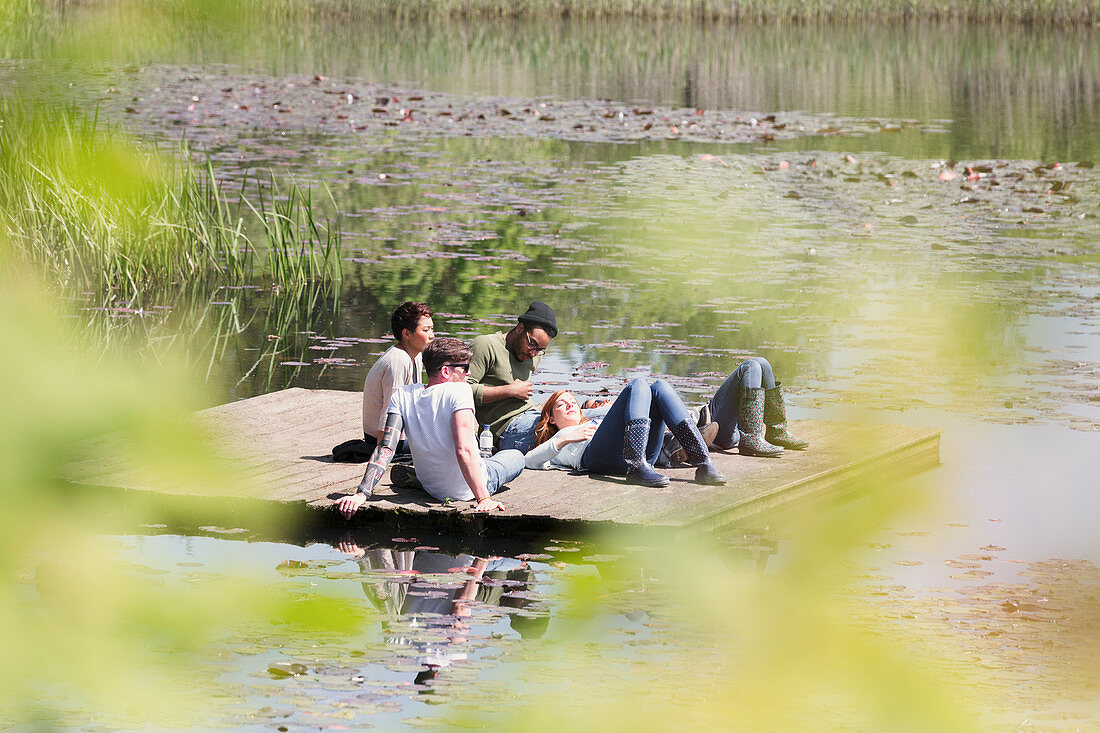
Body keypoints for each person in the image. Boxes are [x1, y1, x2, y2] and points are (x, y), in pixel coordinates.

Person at [336, 338, 525, 518]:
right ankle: (427, 476)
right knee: (515, 456)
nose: (468, 374)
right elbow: (464, 450)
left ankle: (417, 478)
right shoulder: (460, 391)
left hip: (431, 486)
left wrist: (361, 494)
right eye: (465, 368)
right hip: (464, 490)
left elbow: (385, 447)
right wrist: (484, 498)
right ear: (445, 371)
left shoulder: (403, 394)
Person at [524, 378, 726, 487]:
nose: (569, 404)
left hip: (642, 454)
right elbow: (529, 460)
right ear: (551, 418)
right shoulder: (560, 437)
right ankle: (636, 466)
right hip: (597, 458)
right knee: (637, 384)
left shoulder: (596, 422)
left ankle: (704, 463)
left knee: (659, 386)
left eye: (572, 402)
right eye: (561, 404)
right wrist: (566, 438)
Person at [466, 300, 560, 454]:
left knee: (600, 415)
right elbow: (461, 390)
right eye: (532, 344)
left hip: (532, 416)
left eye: (540, 349)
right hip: (507, 429)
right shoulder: (486, 345)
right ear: (520, 328)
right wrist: (509, 391)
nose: (533, 353)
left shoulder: (534, 355)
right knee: (571, 429)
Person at [361, 301, 434, 458]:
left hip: (403, 434)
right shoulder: (398, 360)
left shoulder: (416, 355)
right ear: (406, 334)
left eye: (432, 329)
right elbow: (389, 410)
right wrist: (383, 453)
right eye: (426, 330)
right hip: (385, 439)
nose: (432, 335)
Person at [706, 356, 808, 457]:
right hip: (714, 430)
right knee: (751, 366)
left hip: (732, 432)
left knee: (762, 363)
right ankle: (751, 438)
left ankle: (777, 432)